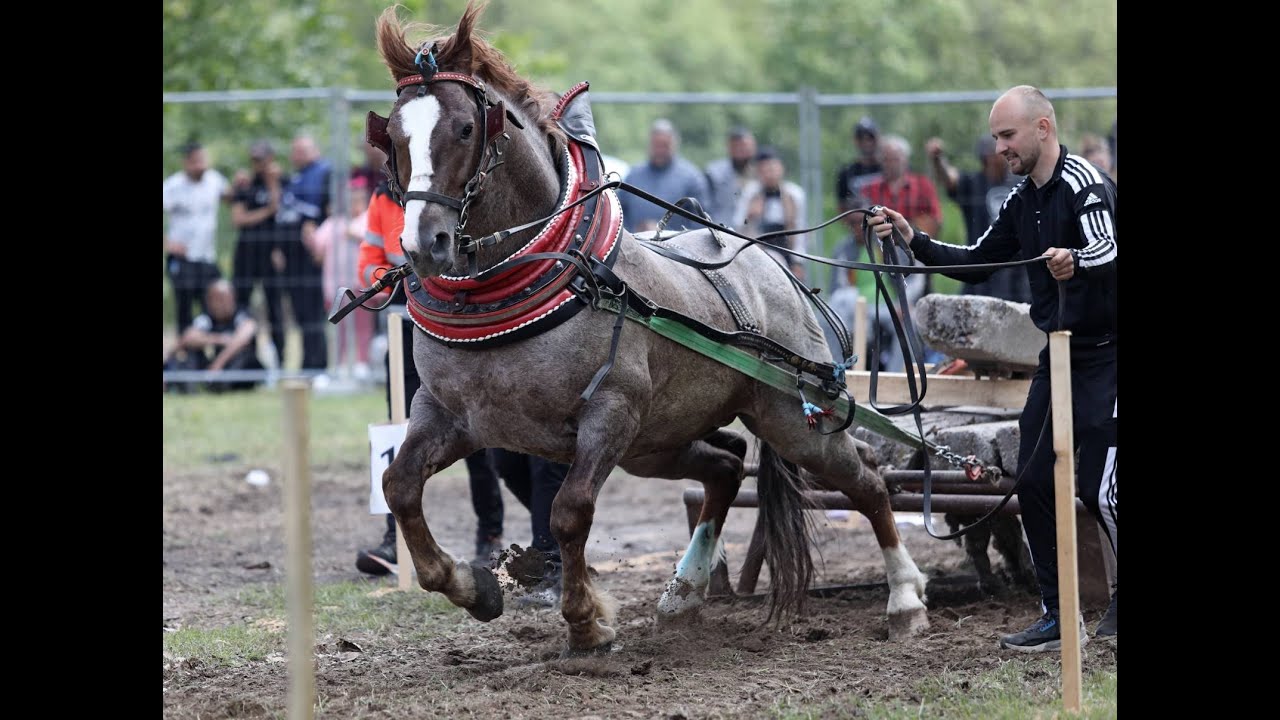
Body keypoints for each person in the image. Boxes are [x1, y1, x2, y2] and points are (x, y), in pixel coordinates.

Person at [870, 85, 1117, 651]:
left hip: (1109, 353)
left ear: (1042, 129)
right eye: (996, 137)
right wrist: (916, 240)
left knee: (1104, 491)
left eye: (1007, 135)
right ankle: (1058, 615)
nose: (999, 147)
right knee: (1031, 481)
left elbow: (1109, 250)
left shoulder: (1083, 185)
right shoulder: (1018, 200)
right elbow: (978, 262)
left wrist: (1075, 259)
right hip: (1056, 356)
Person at [353, 180, 505, 576]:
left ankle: (490, 535)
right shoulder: (382, 198)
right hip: (402, 326)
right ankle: (394, 538)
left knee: (476, 432)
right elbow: (368, 262)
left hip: (453, 326)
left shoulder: (450, 187)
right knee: (396, 431)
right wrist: (394, 277)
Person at [926, 134, 1032, 304]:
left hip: (1016, 271)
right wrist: (938, 159)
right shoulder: (974, 183)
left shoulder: (1020, 183)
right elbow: (950, 179)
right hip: (982, 265)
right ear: (985, 159)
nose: (1001, 158)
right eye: (995, 154)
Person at [163, 141, 231, 334]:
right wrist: (167, 244)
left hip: (207, 258)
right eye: (195, 161)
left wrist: (241, 185)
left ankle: (215, 354)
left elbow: (230, 197)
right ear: (186, 162)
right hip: (182, 259)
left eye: (202, 160)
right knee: (184, 312)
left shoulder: (215, 180)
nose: (200, 165)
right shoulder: (172, 186)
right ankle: (186, 359)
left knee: (215, 308)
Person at [163, 279, 263, 393]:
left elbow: (243, 338)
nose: (220, 304)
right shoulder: (207, 318)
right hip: (214, 369)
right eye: (216, 299)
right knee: (190, 352)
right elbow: (188, 337)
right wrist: (220, 339)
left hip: (238, 371)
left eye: (223, 299)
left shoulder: (242, 314)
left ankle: (221, 385)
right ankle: (187, 385)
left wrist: (218, 364)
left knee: (243, 353)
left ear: (232, 298)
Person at [618, 119, 711, 233]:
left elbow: (701, 225)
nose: (660, 150)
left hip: (676, 248)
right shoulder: (633, 176)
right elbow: (619, 213)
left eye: (665, 145)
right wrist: (633, 232)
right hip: (634, 245)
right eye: (656, 145)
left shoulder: (692, 178)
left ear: (675, 144)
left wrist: (663, 232)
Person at [736, 146, 808, 278]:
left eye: (773, 169)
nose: (769, 174)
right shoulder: (750, 193)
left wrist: (799, 262)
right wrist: (750, 216)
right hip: (758, 249)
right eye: (764, 170)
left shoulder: (794, 194)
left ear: (781, 168)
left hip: (787, 249)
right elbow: (739, 226)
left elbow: (801, 230)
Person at [703, 126, 757, 228]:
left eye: (745, 146)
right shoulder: (714, 173)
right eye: (737, 146)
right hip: (722, 230)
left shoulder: (762, 173)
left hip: (754, 234)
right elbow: (705, 206)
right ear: (729, 147)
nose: (741, 150)